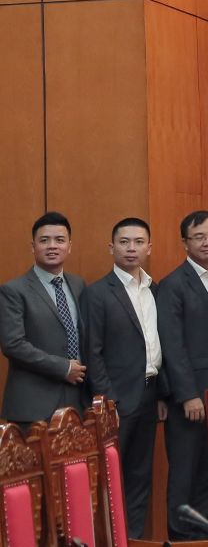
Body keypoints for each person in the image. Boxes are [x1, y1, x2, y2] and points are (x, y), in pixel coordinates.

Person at [81, 217, 165, 538]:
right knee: (110, 480)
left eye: (139, 242)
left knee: (140, 479)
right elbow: (93, 352)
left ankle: (135, 540)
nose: (132, 248)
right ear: (111, 247)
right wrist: (108, 401)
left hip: (149, 394)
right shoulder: (98, 293)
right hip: (116, 401)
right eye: (124, 242)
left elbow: (159, 345)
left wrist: (162, 395)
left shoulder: (155, 289)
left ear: (149, 248)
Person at [157, 210, 208, 542]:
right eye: (199, 237)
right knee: (185, 472)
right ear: (185, 243)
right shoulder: (173, 284)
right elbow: (172, 345)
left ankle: (201, 538)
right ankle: (180, 538)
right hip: (191, 398)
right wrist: (187, 394)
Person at [1, 211, 88, 423]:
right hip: (33, 405)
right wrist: (63, 368)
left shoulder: (78, 285)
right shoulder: (13, 290)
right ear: (33, 247)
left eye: (59, 240)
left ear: (69, 246)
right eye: (44, 240)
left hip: (76, 400)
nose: (52, 246)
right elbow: (13, 345)